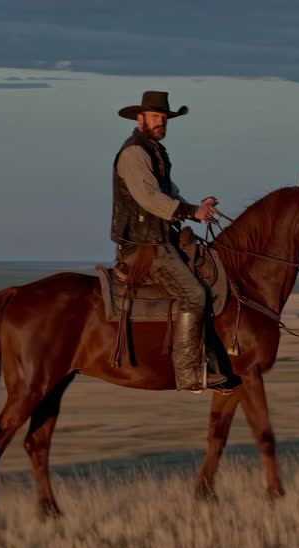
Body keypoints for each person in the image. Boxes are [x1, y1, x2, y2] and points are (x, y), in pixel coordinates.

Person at [111, 90, 240, 393]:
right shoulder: (134, 154)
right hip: (144, 246)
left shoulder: (155, 151)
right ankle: (189, 373)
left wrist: (196, 210)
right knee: (194, 295)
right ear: (140, 118)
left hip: (161, 239)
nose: (161, 122)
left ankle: (214, 362)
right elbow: (150, 199)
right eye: (155, 117)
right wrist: (191, 211)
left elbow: (168, 195)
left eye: (164, 118)